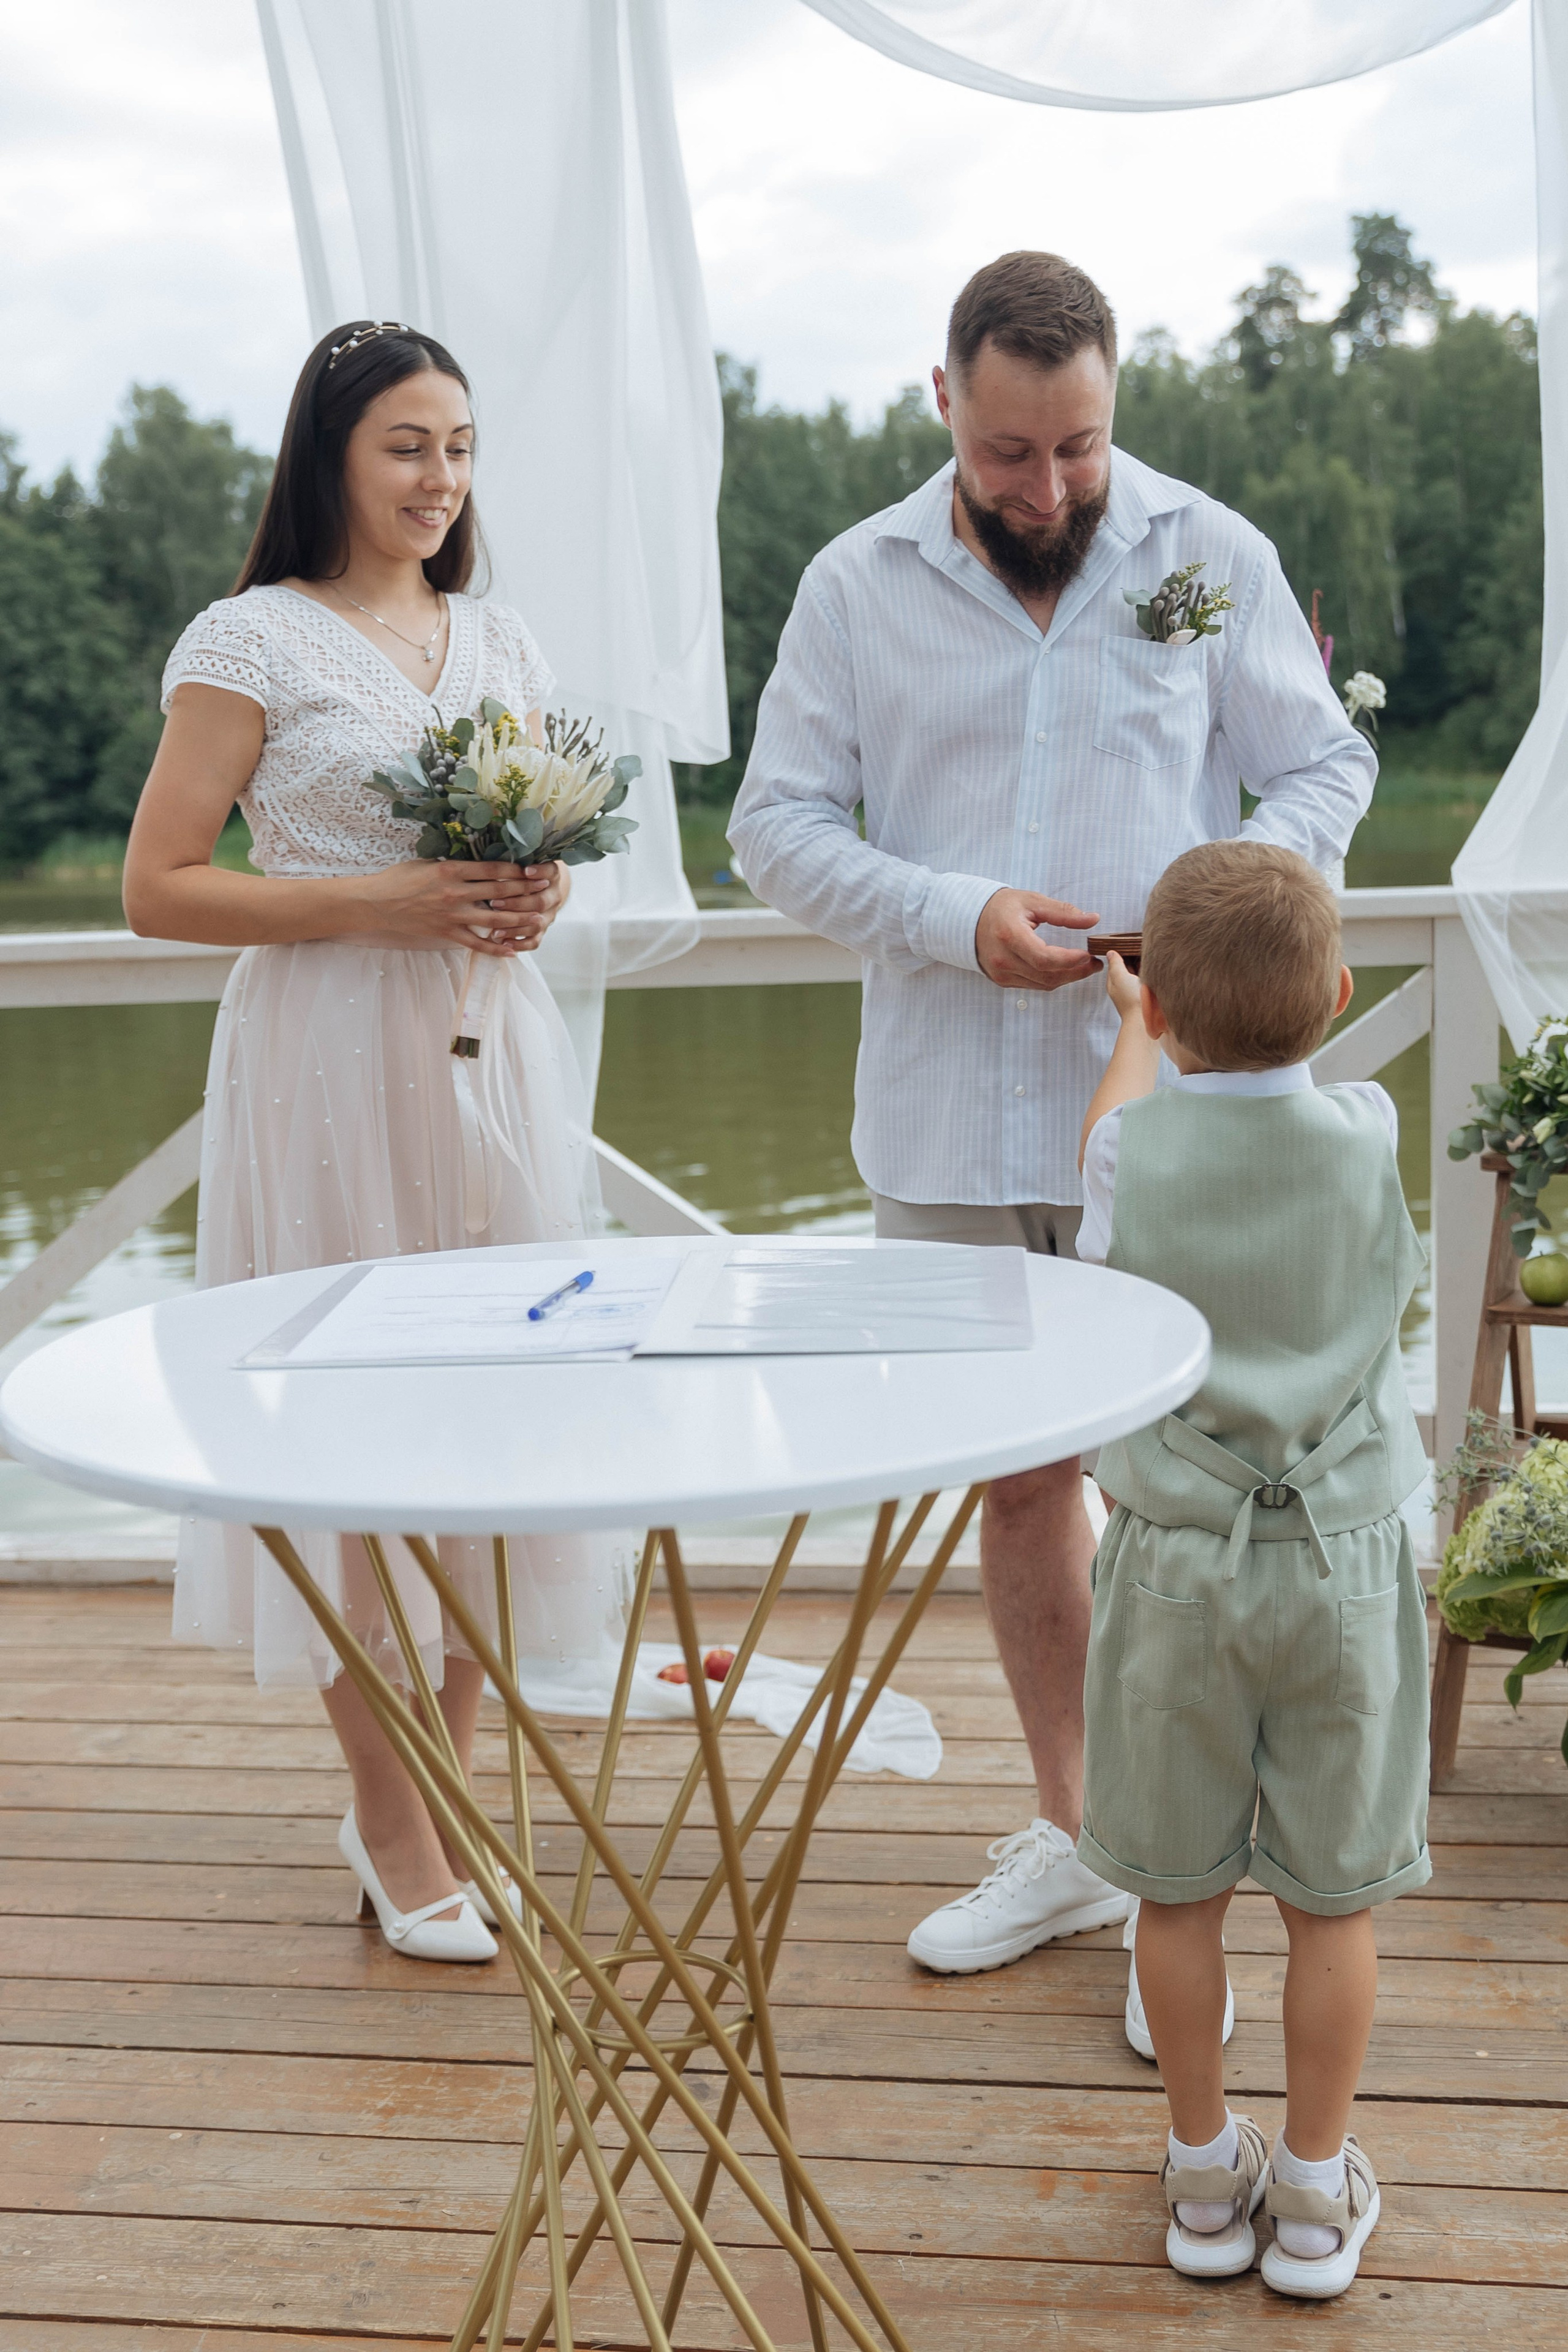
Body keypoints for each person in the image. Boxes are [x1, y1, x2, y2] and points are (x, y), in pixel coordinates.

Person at [728, 250, 1376, 2020]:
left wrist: (1215, 920)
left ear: (1113, 403)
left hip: (1178, 1109)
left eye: (1079, 447)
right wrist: (954, 915)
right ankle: (1085, 1837)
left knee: (1199, 1492)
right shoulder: (856, 583)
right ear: (944, 400)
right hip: (941, 1113)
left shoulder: (1209, 555)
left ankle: (1200, 1889)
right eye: (1012, 453)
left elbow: (1322, 772)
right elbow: (772, 831)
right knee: (1021, 1490)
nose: (1048, 490)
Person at [123, 319, 623, 1965]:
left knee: (496, 1416)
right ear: (334, 448)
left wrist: (528, 894)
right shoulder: (250, 641)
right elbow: (159, 886)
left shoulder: (500, 638)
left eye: (462, 447)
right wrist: (382, 903)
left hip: (495, 1066)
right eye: (411, 444)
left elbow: (517, 872)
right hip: (326, 1068)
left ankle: (444, 1790)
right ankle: (396, 1823)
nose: (442, 478)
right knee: (344, 1434)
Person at [1074, 840, 1428, 2299]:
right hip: (1341, 1564)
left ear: (1157, 1012)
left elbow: (1118, 1151)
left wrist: (1118, 1035)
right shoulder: (1363, 1128)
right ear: (1338, 993)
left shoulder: (1126, 1142)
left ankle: (1204, 2172)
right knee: (1329, 1904)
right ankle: (1306, 2190)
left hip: (1172, 1567)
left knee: (1176, 1893)